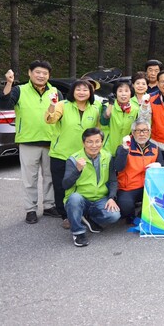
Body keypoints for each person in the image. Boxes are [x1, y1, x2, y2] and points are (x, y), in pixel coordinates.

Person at [0, 61, 63, 224]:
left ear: (49, 75)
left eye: (45, 73)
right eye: (38, 72)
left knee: (49, 177)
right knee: (30, 179)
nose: (41, 76)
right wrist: (9, 83)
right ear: (30, 73)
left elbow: (63, 115)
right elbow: (5, 103)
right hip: (28, 141)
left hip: (51, 141)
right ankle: (31, 209)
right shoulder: (19, 90)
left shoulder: (55, 92)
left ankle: (49, 206)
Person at [45, 79, 101, 227]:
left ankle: (81, 212)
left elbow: (97, 131)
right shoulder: (62, 105)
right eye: (78, 89)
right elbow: (50, 119)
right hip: (60, 154)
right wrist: (52, 104)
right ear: (72, 91)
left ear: (90, 93)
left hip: (83, 155)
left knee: (80, 185)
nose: (81, 92)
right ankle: (65, 215)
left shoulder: (95, 109)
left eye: (85, 90)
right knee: (61, 186)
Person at [62, 128, 120, 247]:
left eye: (97, 141)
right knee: (74, 199)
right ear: (83, 143)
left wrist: (111, 198)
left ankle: (90, 219)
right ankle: (78, 233)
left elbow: (113, 180)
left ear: (102, 142)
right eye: (89, 142)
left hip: (99, 198)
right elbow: (65, 184)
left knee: (114, 215)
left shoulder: (107, 156)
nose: (94, 145)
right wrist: (77, 170)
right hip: (80, 199)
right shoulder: (74, 159)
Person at [114, 119, 164, 223]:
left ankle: (141, 213)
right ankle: (131, 214)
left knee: (163, 199)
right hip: (129, 187)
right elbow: (118, 167)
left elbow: (163, 168)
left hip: (148, 187)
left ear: (149, 132)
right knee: (125, 208)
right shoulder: (124, 147)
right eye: (138, 131)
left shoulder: (155, 148)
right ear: (133, 133)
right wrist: (124, 150)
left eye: (145, 130)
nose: (142, 134)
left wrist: (159, 165)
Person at [101, 80, 139, 157]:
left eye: (126, 91)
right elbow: (104, 121)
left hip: (126, 149)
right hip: (107, 149)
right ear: (115, 93)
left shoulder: (135, 109)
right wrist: (111, 104)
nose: (123, 94)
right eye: (120, 91)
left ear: (131, 93)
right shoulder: (107, 105)